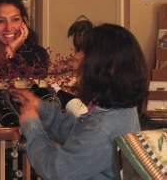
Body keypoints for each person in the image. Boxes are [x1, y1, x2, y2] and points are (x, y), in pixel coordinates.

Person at [10, 23, 149, 180]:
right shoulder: (121, 111)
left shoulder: (101, 128)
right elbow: (77, 134)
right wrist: (40, 108)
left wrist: (32, 127)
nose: (76, 56)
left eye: (83, 51)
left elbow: (56, 171)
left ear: (100, 64)